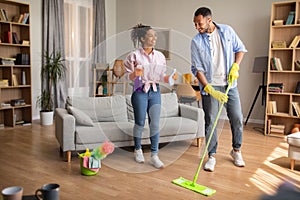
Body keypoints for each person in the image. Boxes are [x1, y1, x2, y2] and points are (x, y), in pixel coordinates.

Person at [191, 7, 247, 172]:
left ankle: (236, 150)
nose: (197, 27)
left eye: (199, 23)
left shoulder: (227, 31)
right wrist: (208, 88)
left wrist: (235, 66)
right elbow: (197, 69)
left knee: (237, 118)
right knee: (211, 123)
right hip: (211, 86)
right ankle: (212, 156)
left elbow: (240, 49)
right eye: (195, 24)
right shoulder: (196, 41)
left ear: (209, 20)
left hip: (230, 85)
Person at [123, 24, 177, 169]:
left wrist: (170, 78)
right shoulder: (134, 55)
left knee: (155, 124)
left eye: (155, 36)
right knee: (140, 122)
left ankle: (154, 155)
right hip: (140, 91)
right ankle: (138, 149)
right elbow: (128, 76)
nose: (154, 38)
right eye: (151, 36)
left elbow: (161, 77)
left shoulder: (160, 56)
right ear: (142, 38)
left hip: (155, 91)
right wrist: (135, 74)